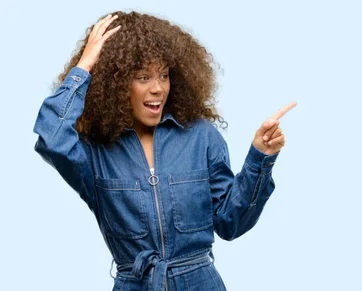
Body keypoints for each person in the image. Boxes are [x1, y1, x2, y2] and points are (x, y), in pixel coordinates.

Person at [33, 11, 295, 291]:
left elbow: (232, 222)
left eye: (164, 75)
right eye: (143, 77)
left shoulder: (200, 136)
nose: (157, 88)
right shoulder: (95, 151)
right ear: (117, 84)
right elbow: (52, 136)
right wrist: (86, 66)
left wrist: (260, 157)